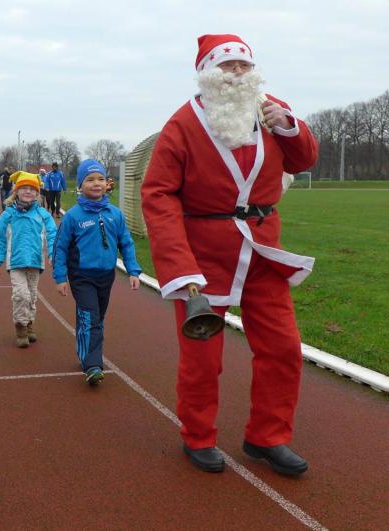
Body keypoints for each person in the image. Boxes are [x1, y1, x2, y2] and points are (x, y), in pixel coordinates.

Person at [140, 34, 319, 475]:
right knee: (203, 358)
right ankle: (198, 436)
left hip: (262, 252)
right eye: (227, 65)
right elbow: (158, 194)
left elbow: (303, 161)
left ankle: (268, 436)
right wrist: (180, 268)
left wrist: (291, 127)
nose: (237, 73)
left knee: (283, 347)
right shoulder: (182, 125)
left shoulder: (271, 110)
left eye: (244, 65)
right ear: (207, 72)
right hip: (203, 257)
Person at [53, 159, 142, 385]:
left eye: (100, 179)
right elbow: (60, 247)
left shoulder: (115, 214)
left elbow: (126, 243)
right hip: (81, 276)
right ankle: (93, 364)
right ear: (80, 185)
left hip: (106, 276)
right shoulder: (73, 216)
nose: (96, 183)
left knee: (97, 318)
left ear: (107, 183)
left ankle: (85, 349)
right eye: (90, 180)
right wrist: (60, 277)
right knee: (91, 317)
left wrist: (133, 270)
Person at [0, 172, 57, 348]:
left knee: (32, 296)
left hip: (35, 262)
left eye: (32, 189)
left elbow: (52, 235)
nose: (28, 191)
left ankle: (29, 324)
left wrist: (52, 254)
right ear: (16, 191)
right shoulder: (8, 215)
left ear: (37, 193)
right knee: (21, 295)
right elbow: (0, 239)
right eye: (24, 188)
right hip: (16, 262)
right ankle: (20, 327)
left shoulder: (43, 215)